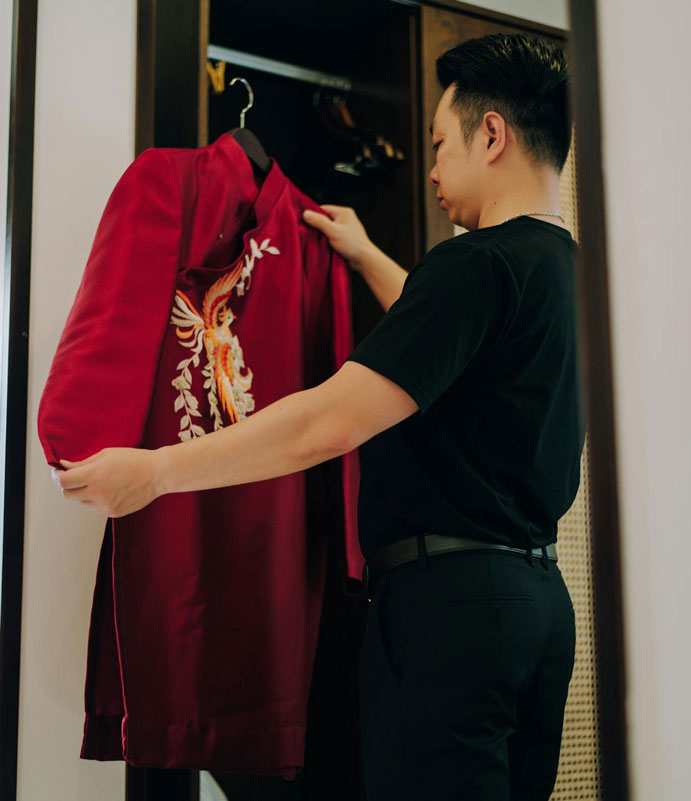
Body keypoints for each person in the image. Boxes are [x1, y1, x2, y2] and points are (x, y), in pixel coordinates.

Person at [55, 32, 584, 801]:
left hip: (452, 609)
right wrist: (366, 254)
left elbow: (328, 423)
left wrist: (154, 471)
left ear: (492, 134)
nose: (431, 168)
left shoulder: (477, 262)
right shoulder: (562, 269)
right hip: (536, 606)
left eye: (439, 144)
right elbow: (451, 343)